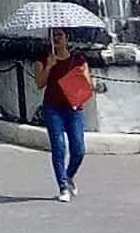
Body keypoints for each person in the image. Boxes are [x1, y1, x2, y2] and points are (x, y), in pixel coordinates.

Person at [40, 34, 99, 199]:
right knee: (58, 147)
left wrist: (82, 74)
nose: (56, 39)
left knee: (79, 149)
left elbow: (88, 85)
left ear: (67, 38)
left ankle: (68, 175)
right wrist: (49, 67)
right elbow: (40, 83)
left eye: (60, 35)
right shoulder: (45, 58)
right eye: (53, 35)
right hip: (53, 108)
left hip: (73, 107)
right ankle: (63, 186)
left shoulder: (78, 59)